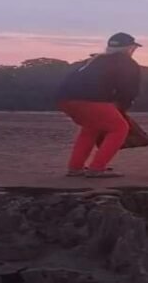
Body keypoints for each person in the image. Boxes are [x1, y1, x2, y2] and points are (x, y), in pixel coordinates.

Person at [56, 32, 142, 179]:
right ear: (129, 48)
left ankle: (75, 167)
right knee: (120, 128)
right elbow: (129, 91)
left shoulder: (94, 60)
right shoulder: (127, 63)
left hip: (64, 99)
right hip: (91, 100)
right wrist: (122, 109)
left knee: (91, 128)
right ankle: (97, 168)